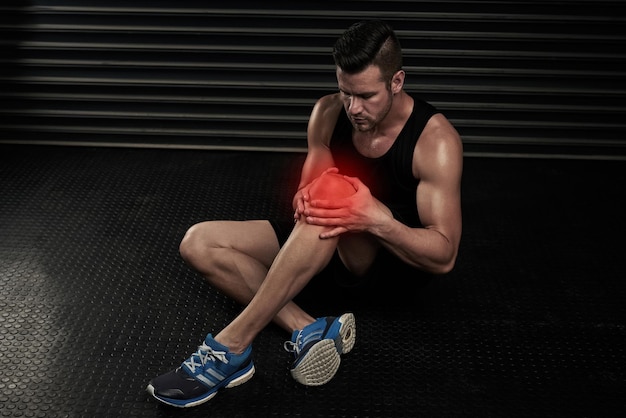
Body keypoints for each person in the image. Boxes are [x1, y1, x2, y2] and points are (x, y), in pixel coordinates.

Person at [147, 19, 463, 408]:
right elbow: (312, 192)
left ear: (396, 81)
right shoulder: (328, 112)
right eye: (345, 92)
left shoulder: (435, 140)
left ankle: (232, 347)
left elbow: (444, 255)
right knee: (199, 242)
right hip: (324, 248)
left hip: (386, 266)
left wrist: (375, 219)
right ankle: (310, 328)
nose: (353, 108)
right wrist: (306, 195)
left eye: (366, 95)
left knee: (335, 199)